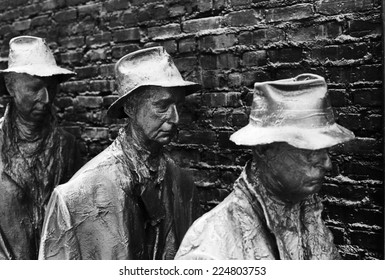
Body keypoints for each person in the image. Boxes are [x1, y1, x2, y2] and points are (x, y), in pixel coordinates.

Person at [39, 47, 201, 260]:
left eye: (178, 105)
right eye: (162, 106)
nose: (175, 118)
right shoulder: (75, 197)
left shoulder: (183, 184)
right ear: (131, 108)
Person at [175, 73, 355, 260]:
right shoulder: (210, 248)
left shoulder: (307, 214)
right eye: (310, 150)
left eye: (326, 150)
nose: (328, 164)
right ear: (264, 148)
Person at [0, 36, 81, 259]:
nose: (46, 98)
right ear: (11, 86)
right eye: (35, 88)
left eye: (50, 88)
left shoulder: (68, 147)